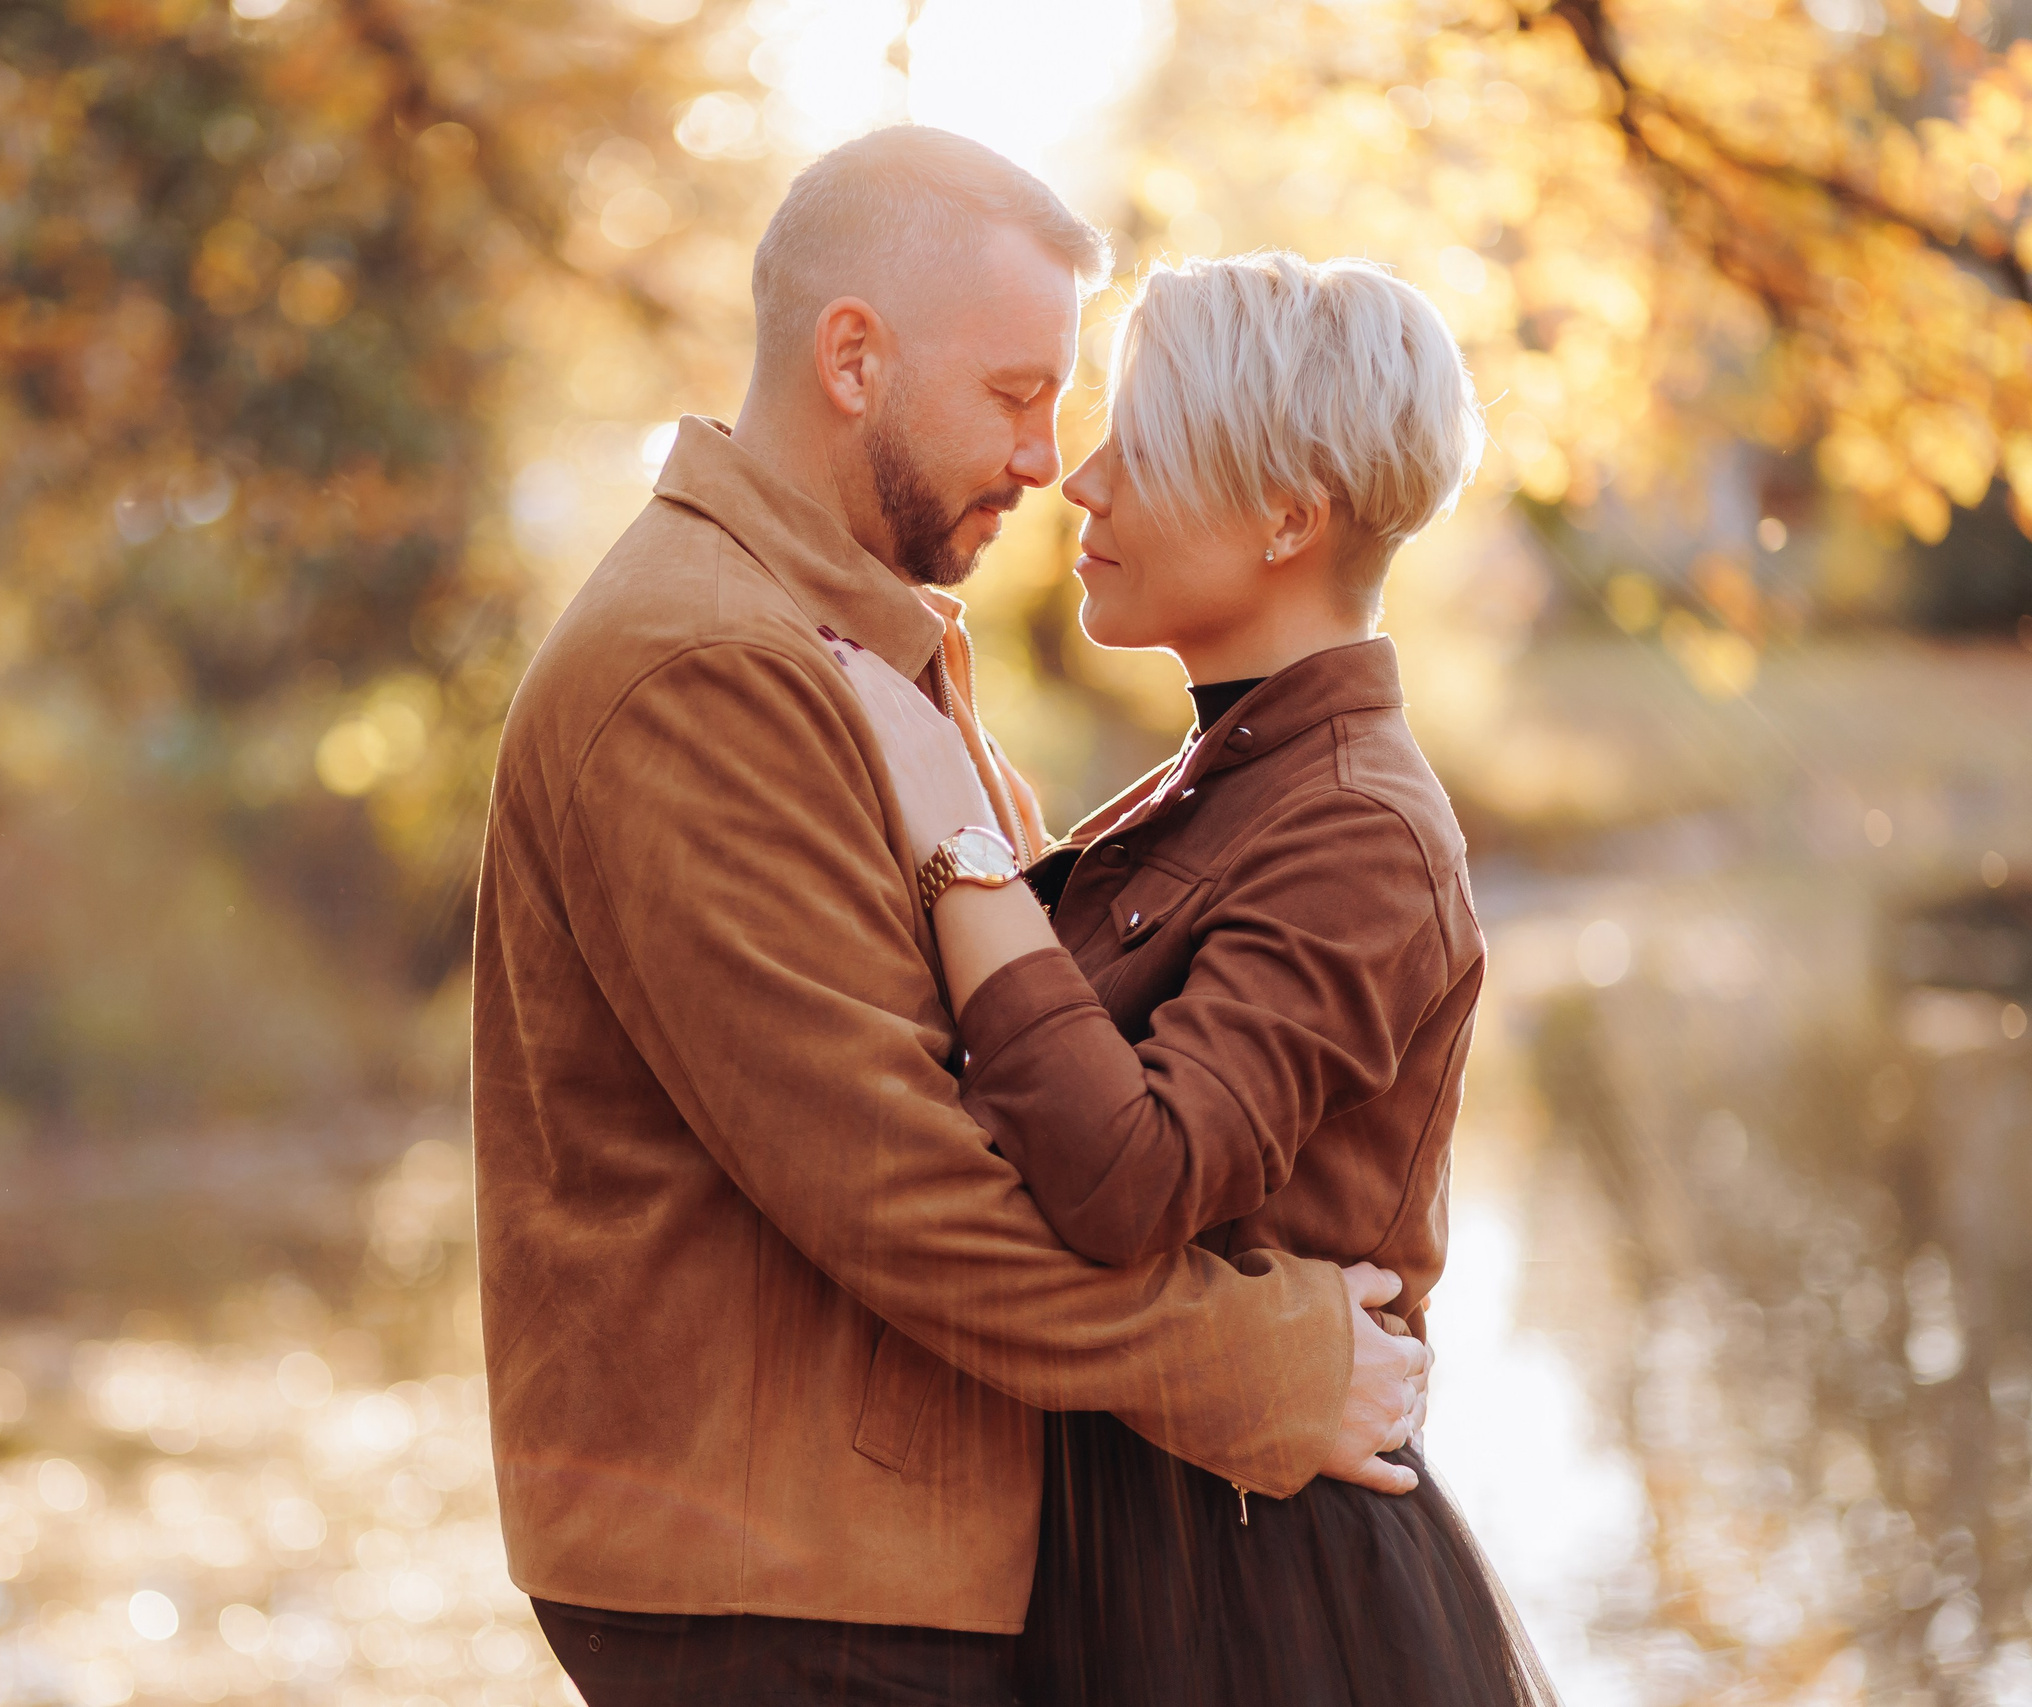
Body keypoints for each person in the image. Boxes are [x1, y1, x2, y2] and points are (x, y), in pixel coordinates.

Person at [471, 129, 1432, 1706]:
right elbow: (904, 1186)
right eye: (1015, 392)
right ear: (853, 359)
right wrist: (1259, 1363)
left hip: (867, 1550)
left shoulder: (845, 638)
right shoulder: (707, 669)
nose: (1053, 459)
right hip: (782, 1575)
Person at [837, 250, 1557, 1704]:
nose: (1082, 484)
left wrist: (958, 849)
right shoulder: (1222, 784)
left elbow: (1131, 1176)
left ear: (1290, 514)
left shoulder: (1353, 824)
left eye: (1141, 447)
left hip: (1253, 1605)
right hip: (1141, 1552)